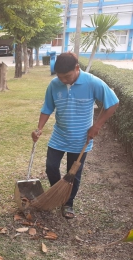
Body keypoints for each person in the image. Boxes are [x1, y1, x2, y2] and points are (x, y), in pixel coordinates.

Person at [32, 52, 119, 219]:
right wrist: (39, 128)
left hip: (81, 139)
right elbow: (47, 108)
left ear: (77, 68)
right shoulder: (54, 84)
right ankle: (57, 194)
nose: (63, 80)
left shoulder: (92, 82)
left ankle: (68, 203)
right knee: (51, 166)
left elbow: (113, 102)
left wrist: (97, 126)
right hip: (59, 135)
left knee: (74, 174)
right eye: (60, 76)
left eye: (67, 76)